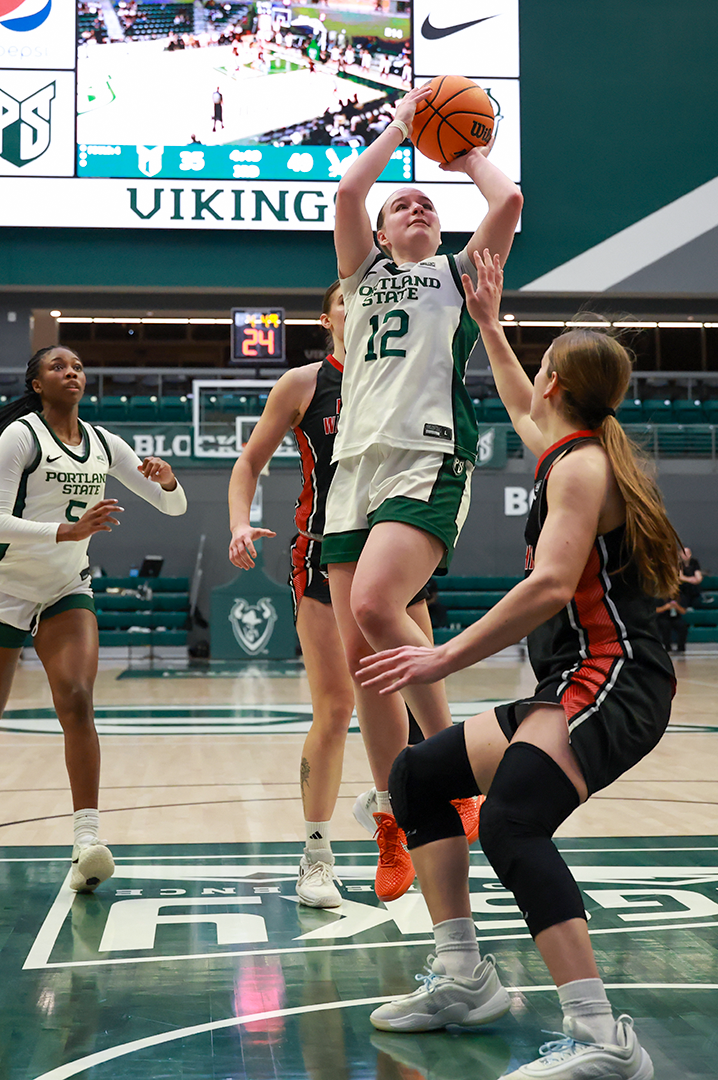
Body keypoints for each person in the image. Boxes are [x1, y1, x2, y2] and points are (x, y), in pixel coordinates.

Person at [356, 248, 668, 1079]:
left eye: (540, 370)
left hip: (616, 678)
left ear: (557, 383)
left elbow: (550, 586)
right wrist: (490, 324)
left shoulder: (582, 469)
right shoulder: (570, 448)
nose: (531, 383)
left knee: (510, 823)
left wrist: (446, 653)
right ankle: (464, 978)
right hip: (570, 684)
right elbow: (517, 404)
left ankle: (604, 1038)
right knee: (418, 778)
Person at [323, 81, 522, 902]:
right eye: (402, 205)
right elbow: (347, 190)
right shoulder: (362, 274)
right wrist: (399, 127)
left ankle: (456, 770)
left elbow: (507, 198)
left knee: (377, 607)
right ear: (378, 232)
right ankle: (391, 821)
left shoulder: (459, 273)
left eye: (427, 205)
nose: (417, 208)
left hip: (427, 456)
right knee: (365, 662)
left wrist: (460, 146)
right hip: (354, 471)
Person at [0, 345, 186, 893]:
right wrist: (66, 532)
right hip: (2, 588)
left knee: (77, 698)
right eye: (58, 367)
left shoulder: (105, 444)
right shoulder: (22, 437)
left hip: (65, 588)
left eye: (79, 366)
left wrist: (169, 482)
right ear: (36, 383)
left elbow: (171, 507)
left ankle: (87, 839)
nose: (72, 372)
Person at [225, 281, 468, 910]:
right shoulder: (304, 384)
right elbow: (248, 461)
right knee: (334, 708)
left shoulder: (403, 374)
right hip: (324, 549)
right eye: (347, 300)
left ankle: (395, 814)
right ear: (330, 316)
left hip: (394, 545)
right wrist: (238, 521)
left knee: (407, 690)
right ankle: (315, 856)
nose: (359, 307)